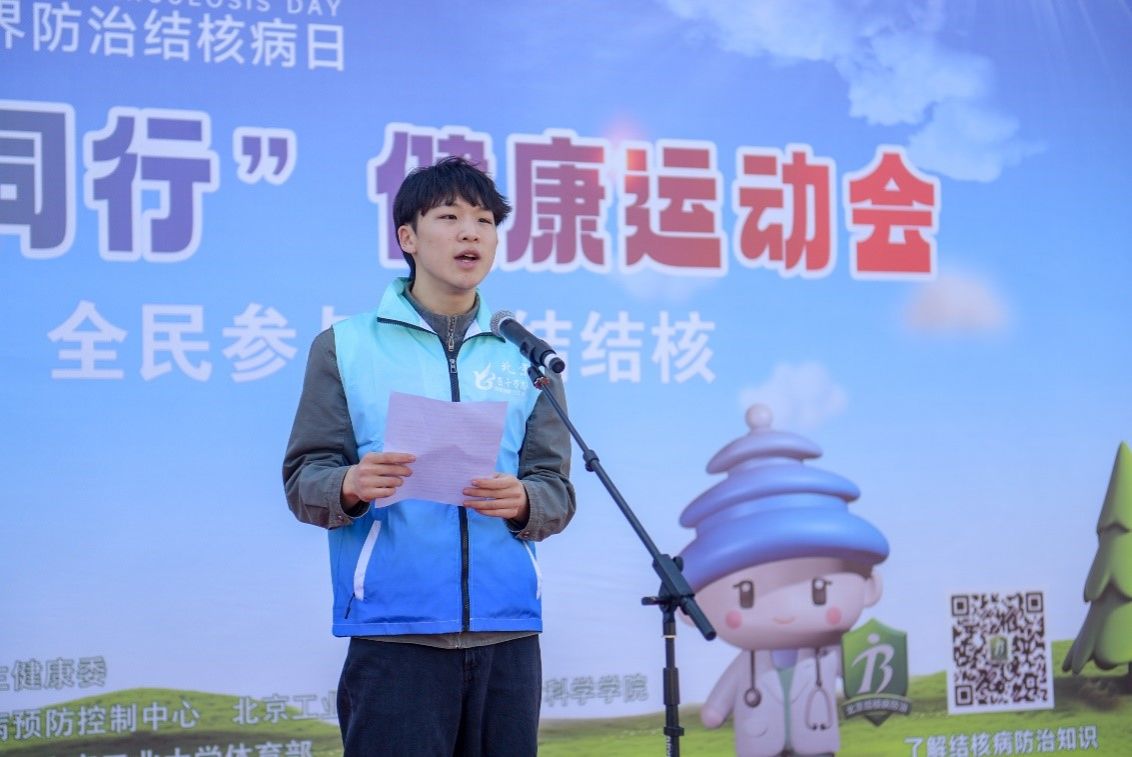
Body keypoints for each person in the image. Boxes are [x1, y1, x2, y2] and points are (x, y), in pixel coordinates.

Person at [283, 156, 575, 756]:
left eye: (485, 220)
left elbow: (556, 489)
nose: (472, 233)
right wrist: (351, 484)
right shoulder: (345, 346)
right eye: (449, 217)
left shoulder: (527, 357)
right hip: (396, 635)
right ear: (408, 237)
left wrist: (525, 500)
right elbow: (304, 479)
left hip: (507, 632)